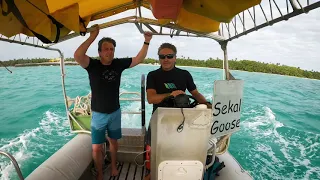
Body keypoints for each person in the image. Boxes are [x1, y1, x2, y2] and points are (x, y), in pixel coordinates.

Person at [74, 24, 153, 179]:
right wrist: (92, 37)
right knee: (96, 148)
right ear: (99, 52)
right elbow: (77, 55)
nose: (109, 51)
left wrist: (147, 41)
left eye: (112, 49)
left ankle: (113, 165)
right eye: (106, 49)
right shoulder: (92, 65)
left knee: (114, 143)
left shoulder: (118, 64)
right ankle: (100, 172)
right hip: (98, 114)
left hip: (115, 112)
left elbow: (138, 59)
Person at [144, 43, 211, 180]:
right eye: (162, 56)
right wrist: (171, 94)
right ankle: (152, 173)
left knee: (179, 147)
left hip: (181, 118)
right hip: (160, 119)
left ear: (175, 58)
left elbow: (195, 93)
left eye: (169, 56)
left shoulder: (184, 74)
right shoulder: (153, 75)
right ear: (159, 58)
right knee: (155, 147)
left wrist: (206, 104)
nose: (166, 59)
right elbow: (151, 98)